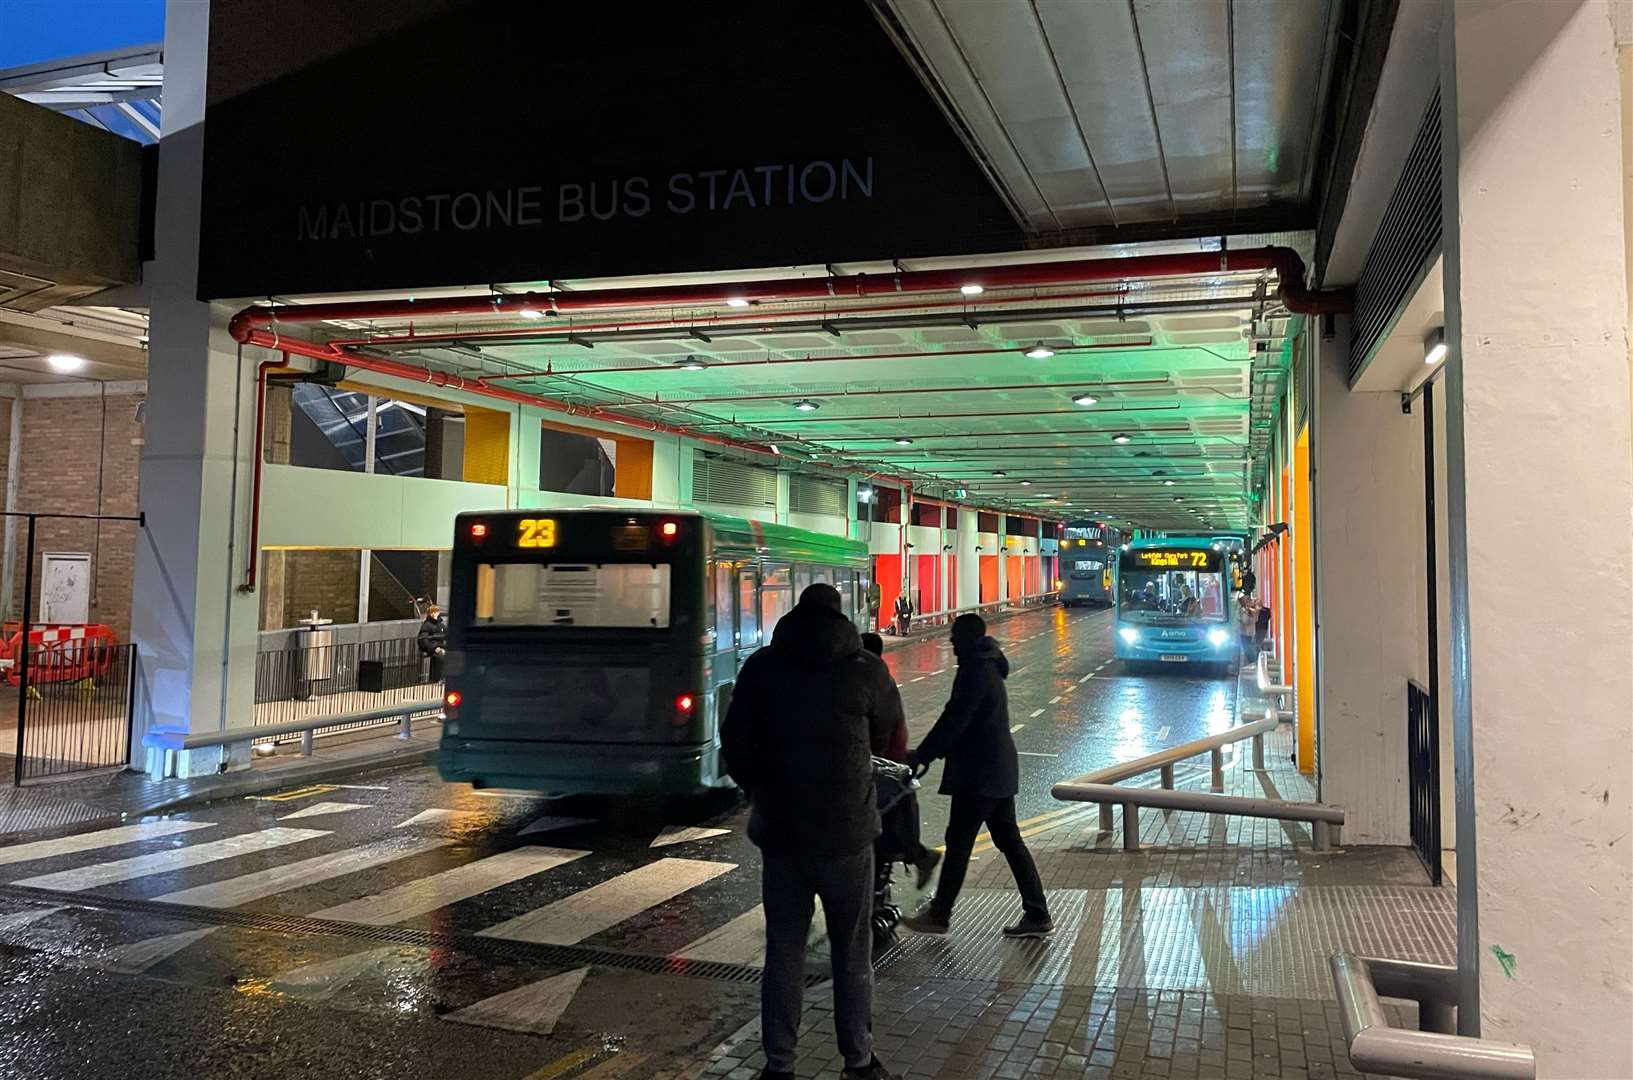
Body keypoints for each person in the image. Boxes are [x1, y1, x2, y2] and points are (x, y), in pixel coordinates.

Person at [721, 584, 901, 1080]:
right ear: (840, 616)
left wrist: (757, 787)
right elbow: (890, 731)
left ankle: (779, 1065)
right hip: (847, 832)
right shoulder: (865, 667)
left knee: (784, 950)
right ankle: (858, 1062)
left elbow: (734, 739)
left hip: (781, 832)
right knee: (852, 950)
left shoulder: (762, 667)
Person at [901, 613, 1052, 939]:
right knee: (1009, 840)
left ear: (967, 638)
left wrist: (921, 755)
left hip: (980, 773)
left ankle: (940, 914)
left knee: (959, 842)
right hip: (995, 769)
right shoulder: (987, 664)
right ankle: (1038, 913)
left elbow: (955, 719)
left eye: (955, 638)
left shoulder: (975, 670)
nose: (951, 644)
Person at [861, 631, 940, 888]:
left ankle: (913, 856)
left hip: (881, 764)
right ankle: (915, 855)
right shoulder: (880, 678)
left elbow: (881, 727)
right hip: (889, 758)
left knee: (880, 827)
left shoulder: (872, 681)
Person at [417, 603, 448, 682]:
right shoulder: (427, 625)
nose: (434, 614)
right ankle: (436, 679)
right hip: (431, 648)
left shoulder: (441, 625)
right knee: (440, 657)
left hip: (441, 646)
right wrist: (434, 647)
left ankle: (444, 678)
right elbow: (424, 640)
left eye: (436, 611)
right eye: (433, 612)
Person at [1236, 592, 1258, 658]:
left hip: (1246, 633)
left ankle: (1253, 661)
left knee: (1247, 649)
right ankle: (1253, 660)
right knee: (1247, 648)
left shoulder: (1249, 610)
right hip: (1247, 632)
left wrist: (1243, 614)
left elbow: (1245, 621)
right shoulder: (1248, 610)